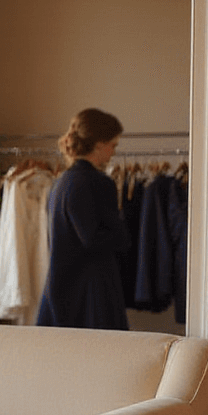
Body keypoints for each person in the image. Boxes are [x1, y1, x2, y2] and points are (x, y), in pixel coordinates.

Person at [35, 108, 130, 329]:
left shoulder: (60, 183)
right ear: (98, 144)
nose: (113, 152)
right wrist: (122, 233)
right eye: (112, 145)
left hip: (61, 291)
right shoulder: (98, 182)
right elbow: (96, 239)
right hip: (93, 294)